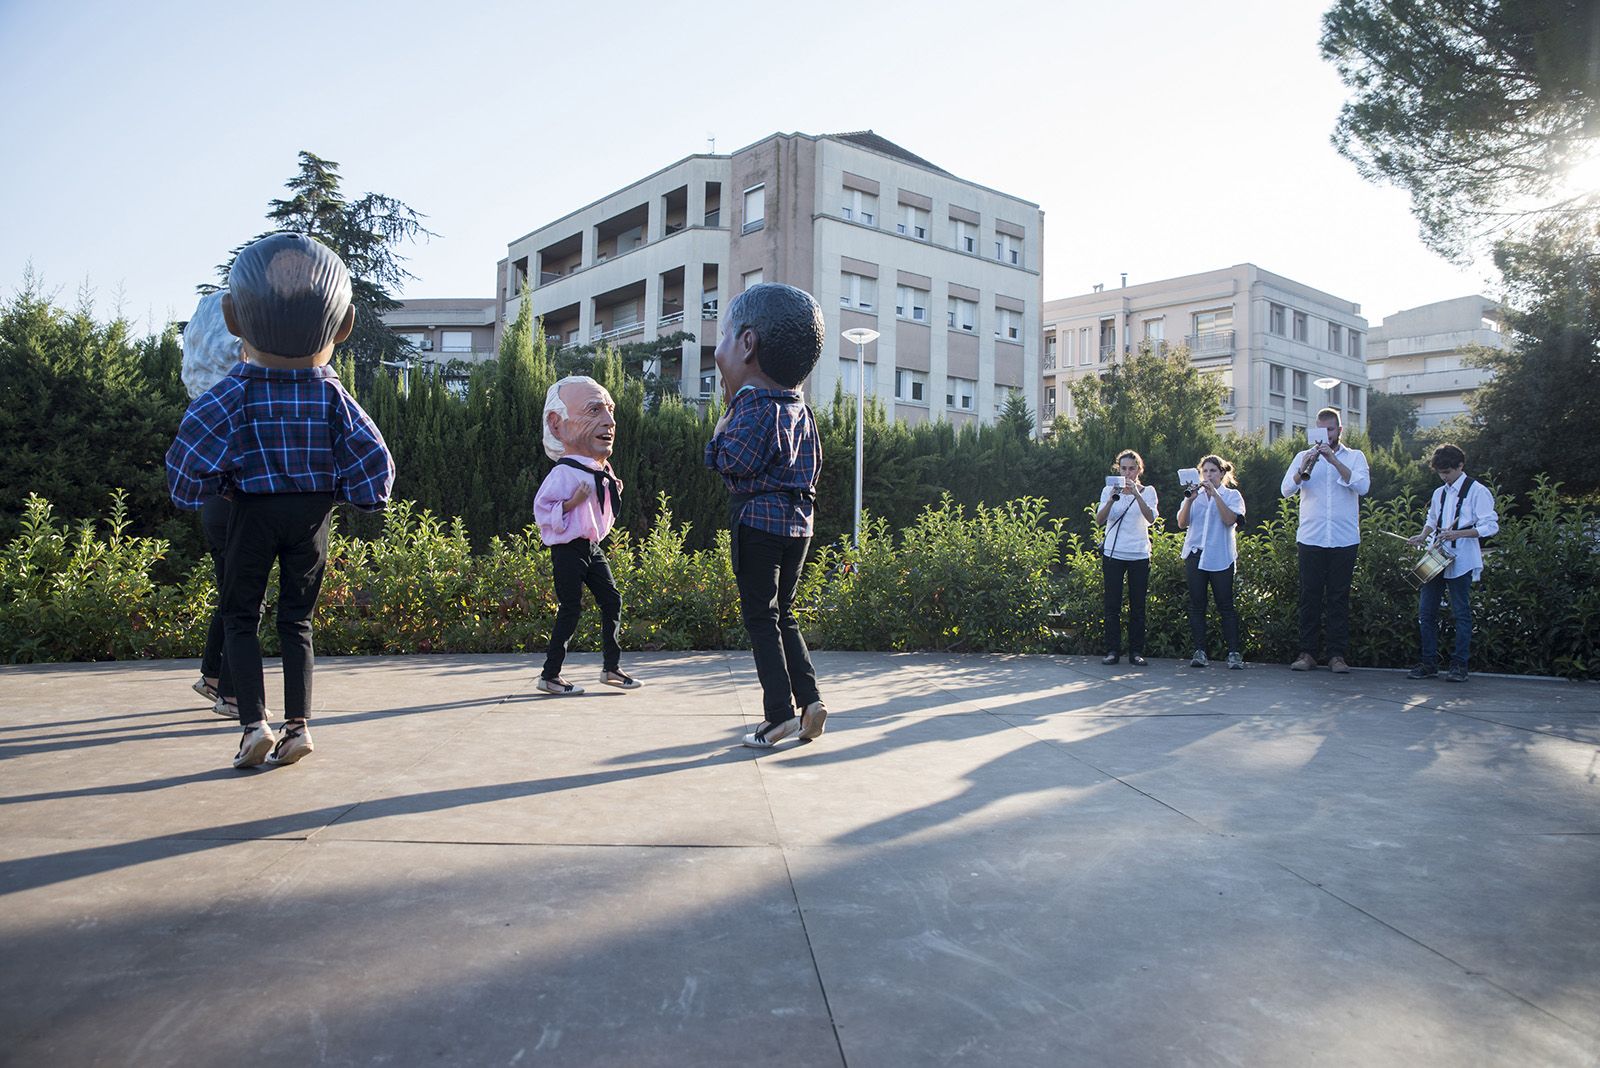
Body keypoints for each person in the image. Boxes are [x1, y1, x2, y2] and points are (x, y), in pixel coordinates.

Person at [166, 233, 395, 770]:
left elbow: (188, 454)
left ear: (233, 318)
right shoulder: (332, 393)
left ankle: (254, 725)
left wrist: (208, 487)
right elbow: (374, 460)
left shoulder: (235, 390)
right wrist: (352, 495)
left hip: (252, 510)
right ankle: (299, 727)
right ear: (344, 326)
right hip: (311, 516)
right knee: (297, 620)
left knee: (240, 614)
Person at [705, 283, 828, 748]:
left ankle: (778, 715)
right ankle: (810, 701)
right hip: (799, 524)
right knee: (786, 614)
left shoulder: (753, 405)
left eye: (723, 336)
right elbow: (815, 466)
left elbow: (736, 461)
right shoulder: (802, 410)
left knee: (761, 616)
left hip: (758, 522)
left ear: (748, 345)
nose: (718, 351)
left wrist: (717, 439)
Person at [534, 374, 639, 695]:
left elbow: (601, 515)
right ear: (557, 424)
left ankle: (611, 667)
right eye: (594, 410)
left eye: (610, 410)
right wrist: (571, 503)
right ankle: (549, 675)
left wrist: (611, 491)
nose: (609, 421)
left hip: (591, 547)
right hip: (567, 549)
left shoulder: (600, 470)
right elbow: (542, 512)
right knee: (570, 608)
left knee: (612, 600)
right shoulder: (563, 473)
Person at [179, 290, 247, 718]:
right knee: (244, 601)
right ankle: (232, 694)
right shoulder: (239, 400)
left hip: (215, 503)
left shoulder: (206, 404)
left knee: (232, 593)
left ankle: (213, 677)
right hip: (237, 499)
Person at [1280, 407, 1371, 673]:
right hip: (1311, 537)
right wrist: (1304, 465)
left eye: (1330, 430)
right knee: (1309, 596)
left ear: (1339, 431)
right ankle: (1307, 653)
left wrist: (1333, 461)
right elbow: (1286, 490)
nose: (1326, 435)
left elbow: (1363, 487)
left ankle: (1337, 655)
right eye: (1321, 430)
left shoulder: (1355, 457)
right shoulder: (1302, 456)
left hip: (1344, 538)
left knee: (1338, 598)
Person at [1406, 443, 1498, 683]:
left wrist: (1459, 534)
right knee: (1426, 613)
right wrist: (1422, 536)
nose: (1444, 477)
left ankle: (1459, 666)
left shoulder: (1478, 491)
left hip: (1462, 559)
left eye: (1448, 472)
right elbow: (1432, 519)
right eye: (1440, 473)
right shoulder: (1440, 492)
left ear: (1460, 466)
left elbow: (1491, 525)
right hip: (1436, 555)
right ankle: (1429, 663)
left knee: (1461, 613)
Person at [1176, 454, 1246, 669]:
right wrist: (1189, 499)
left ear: (1222, 473)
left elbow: (1229, 520)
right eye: (1204, 471)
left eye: (1213, 471)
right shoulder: (1194, 495)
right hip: (1196, 554)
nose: (1208, 475)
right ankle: (1199, 651)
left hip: (1220, 555)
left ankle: (1234, 653)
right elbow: (1181, 523)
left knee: (1225, 605)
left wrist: (1215, 495)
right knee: (1197, 605)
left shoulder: (1232, 495)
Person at [1095, 449, 1157, 667]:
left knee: (1138, 606)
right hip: (1113, 552)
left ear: (1139, 470)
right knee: (1112, 605)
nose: (1128, 473)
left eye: (1132, 468)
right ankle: (1112, 651)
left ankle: (1136, 652)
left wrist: (1137, 494)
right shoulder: (1108, 490)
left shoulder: (1148, 491)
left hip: (1139, 553)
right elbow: (1100, 520)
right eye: (1124, 468)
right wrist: (1113, 498)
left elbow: (1150, 518)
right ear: (1118, 469)